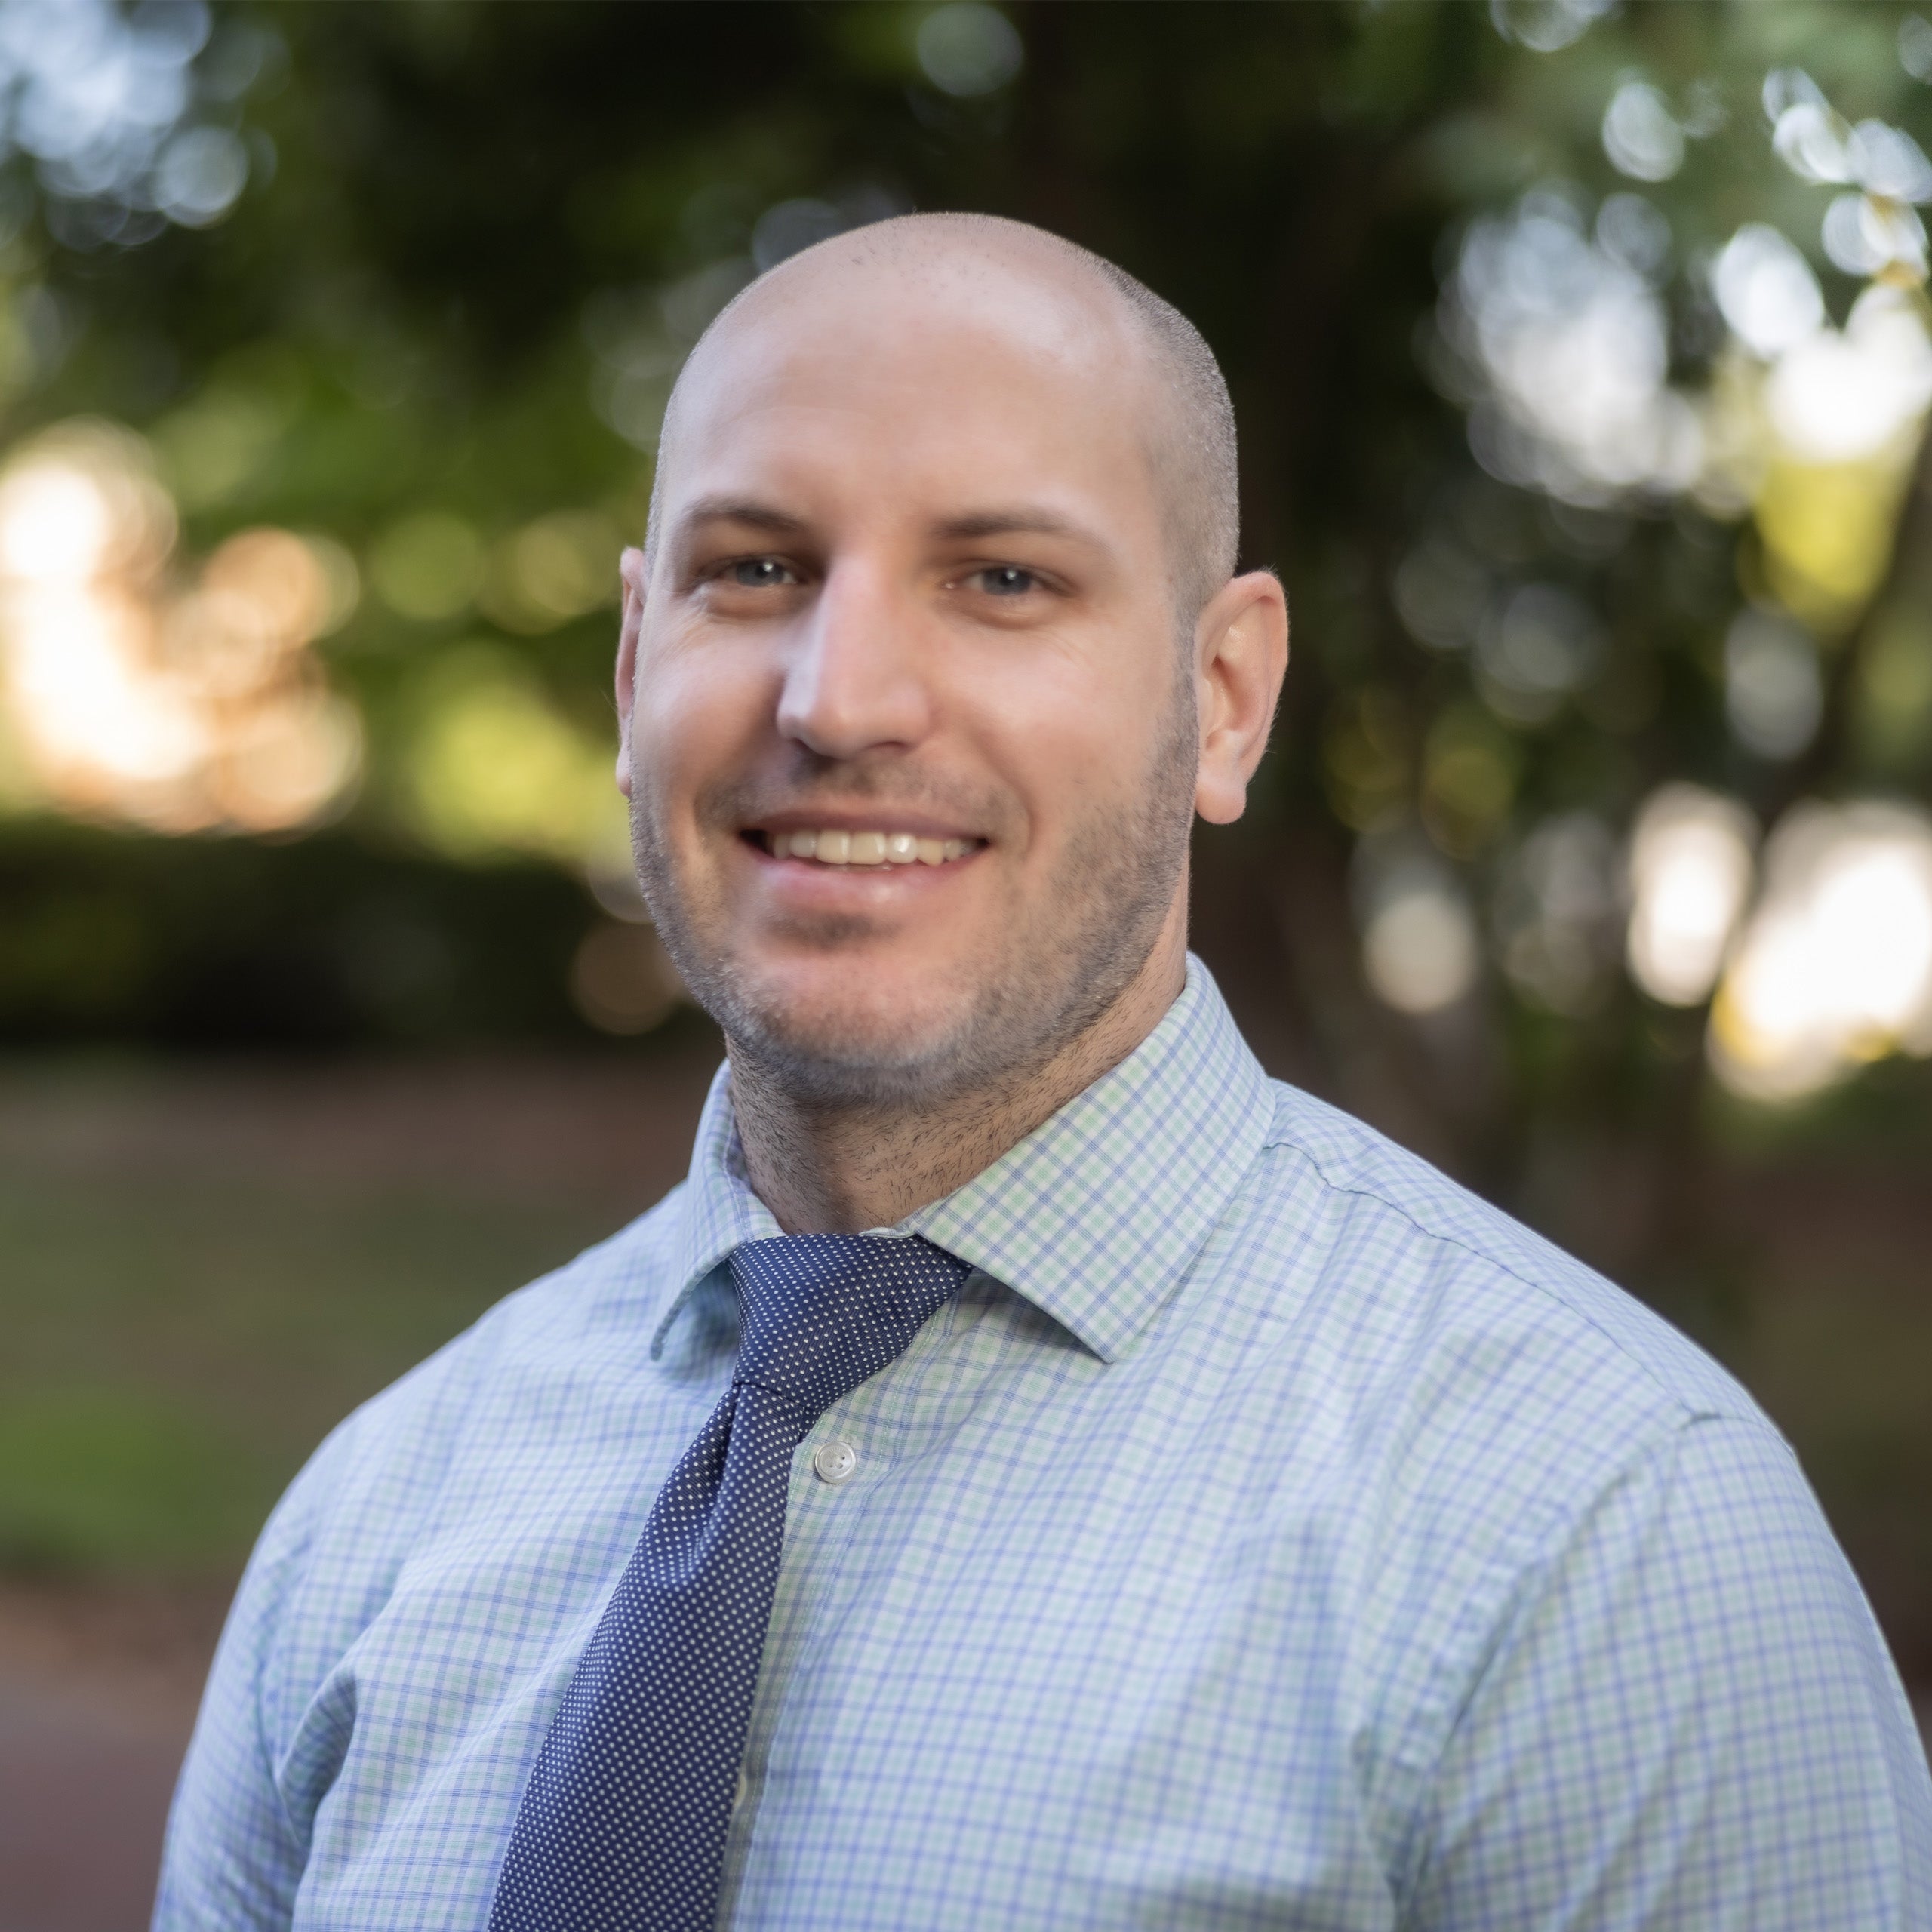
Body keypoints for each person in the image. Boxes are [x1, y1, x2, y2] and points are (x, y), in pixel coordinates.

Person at [155, 213, 1931, 1931]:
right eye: (754, 568)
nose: (840, 698)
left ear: (1222, 697)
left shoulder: (1602, 1535)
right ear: (634, 667)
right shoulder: (378, 1516)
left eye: (1002, 578)